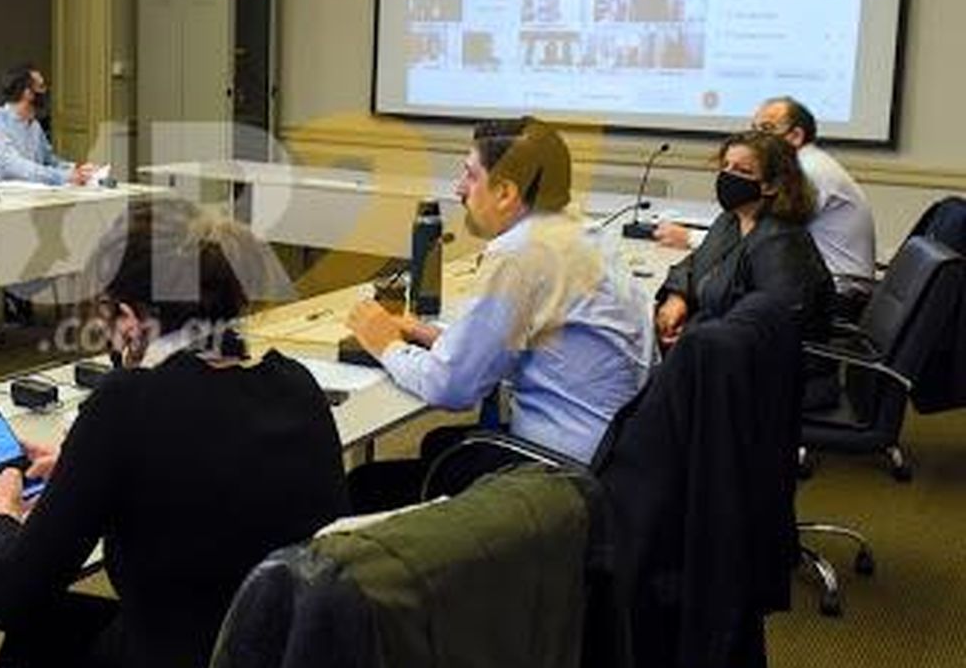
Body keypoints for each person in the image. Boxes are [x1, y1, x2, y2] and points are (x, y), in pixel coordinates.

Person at [0, 199, 347, 668]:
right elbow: (202, 466)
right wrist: (82, 466)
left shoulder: (127, 406)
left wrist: (3, 512)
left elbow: (7, 597)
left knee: (31, 627)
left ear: (129, 318)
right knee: (51, 630)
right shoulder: (297, 385)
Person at [344, 118, 653, 510]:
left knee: (365, 485)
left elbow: (451, 388)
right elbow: (544, 344)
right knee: (439, 444)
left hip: (560, 476)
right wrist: (442, 339)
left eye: (470, 175)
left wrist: (384, 343)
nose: (459, 189)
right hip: (614, 457)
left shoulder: (520, 254)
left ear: (506, 191)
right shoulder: (582, 233)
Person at [659, 96, 876, 314]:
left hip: (832, 296)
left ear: (796, 136)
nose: (757, 137)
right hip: (796, 283)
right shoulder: (741, 212)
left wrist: (689, 238)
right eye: (754, 128)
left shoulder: (808, 171)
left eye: (766, 128)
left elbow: (759, 241)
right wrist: (678, 295)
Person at [654, 131, 835, 350]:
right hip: (713, 345)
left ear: (772, 185)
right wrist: (677, 297)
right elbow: (697, 263)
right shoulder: (730, 220)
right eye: (726, 166)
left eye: (742, 171)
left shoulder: (780, 242)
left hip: (757, 368)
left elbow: (771, 325)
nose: (728, 176)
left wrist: (696, 335)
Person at [0, 64, 98, 186]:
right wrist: (65, 176)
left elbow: (49, 160)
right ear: (27, 93)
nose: (46, 91)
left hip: (30, 195)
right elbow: (17, 167)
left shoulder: (34, 126)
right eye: (41, 87)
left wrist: (77, 169)